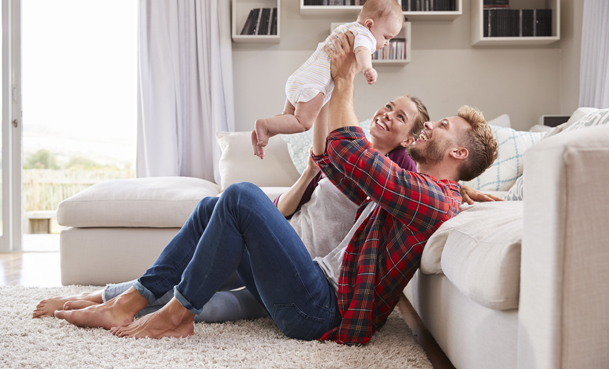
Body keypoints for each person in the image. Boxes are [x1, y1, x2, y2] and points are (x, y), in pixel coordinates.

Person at [50, 31, 498, 345]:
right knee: (215, 206)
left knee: (242, 195)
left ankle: (174, 315)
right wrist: (468, 193)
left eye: (442, 127)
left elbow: (359, 162)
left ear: (458, 155)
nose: (431, 128)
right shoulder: (429, 191)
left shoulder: (433, 197)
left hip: (323, 311)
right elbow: (348, 166)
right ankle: (131, 299)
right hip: (309, 283)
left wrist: (343, 81)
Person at [32, 93, 430, 320]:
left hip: (302, 274)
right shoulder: (348, 148)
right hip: (278, 246)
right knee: (212, 217)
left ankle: (128, 305)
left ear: (410, 139)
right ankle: (111, 297)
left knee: (217, 299)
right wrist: (309, 174)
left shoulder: (395, 173)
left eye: (400, 117)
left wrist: (461, 192)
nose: (387, 115)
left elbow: (422, 190)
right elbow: (286, 212)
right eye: (389, 106)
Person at [251, 0, 404, 159]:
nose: (387, 43)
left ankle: (262, 132)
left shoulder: (346, 28)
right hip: (314, 86)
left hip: (300, 78)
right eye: (386, 37)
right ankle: (265, 125)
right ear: (369, 25)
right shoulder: (364, 35)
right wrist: (368, 68)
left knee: (288, 118)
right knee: (303, 123)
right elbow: (362, 50)